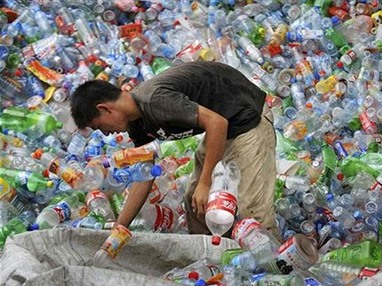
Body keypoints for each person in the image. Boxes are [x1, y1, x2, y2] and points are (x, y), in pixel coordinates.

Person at [70, 61, 279, 238]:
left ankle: (275, 271)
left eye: (100, 127)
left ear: (105, 109)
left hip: (248, 121)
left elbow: (217, 123)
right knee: (195, 203)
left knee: (252, 214)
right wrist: (121, 226)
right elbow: (145, 174)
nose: (106, 135)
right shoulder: (137, 122)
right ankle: (214, 266)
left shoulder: (155, 101)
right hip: (224, 125)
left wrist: (206, 182)